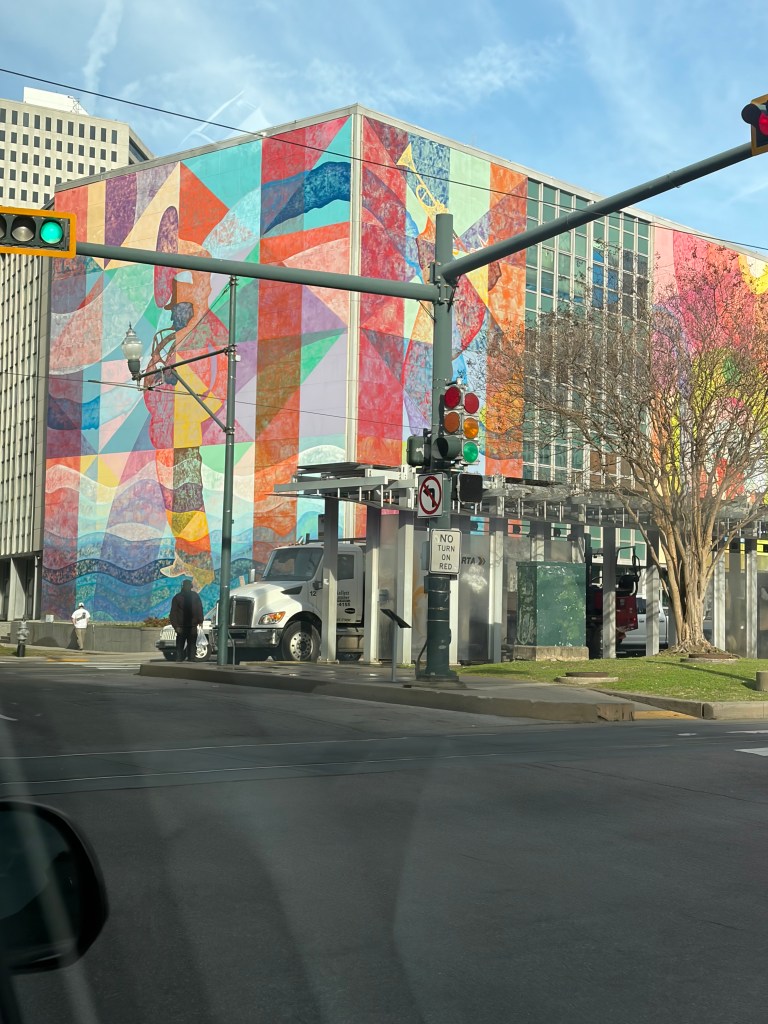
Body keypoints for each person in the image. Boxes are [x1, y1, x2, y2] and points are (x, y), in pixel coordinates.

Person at [169, 580, 204, 662]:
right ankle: (185, 658)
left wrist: (200, 620)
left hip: (189, 625)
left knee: (187, 643)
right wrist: (176, 626)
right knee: (185, 643)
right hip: (184, 625)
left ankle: (187, 658)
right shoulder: (180, 597)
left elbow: (199, 609)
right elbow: (173, 613)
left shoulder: (192, 596)